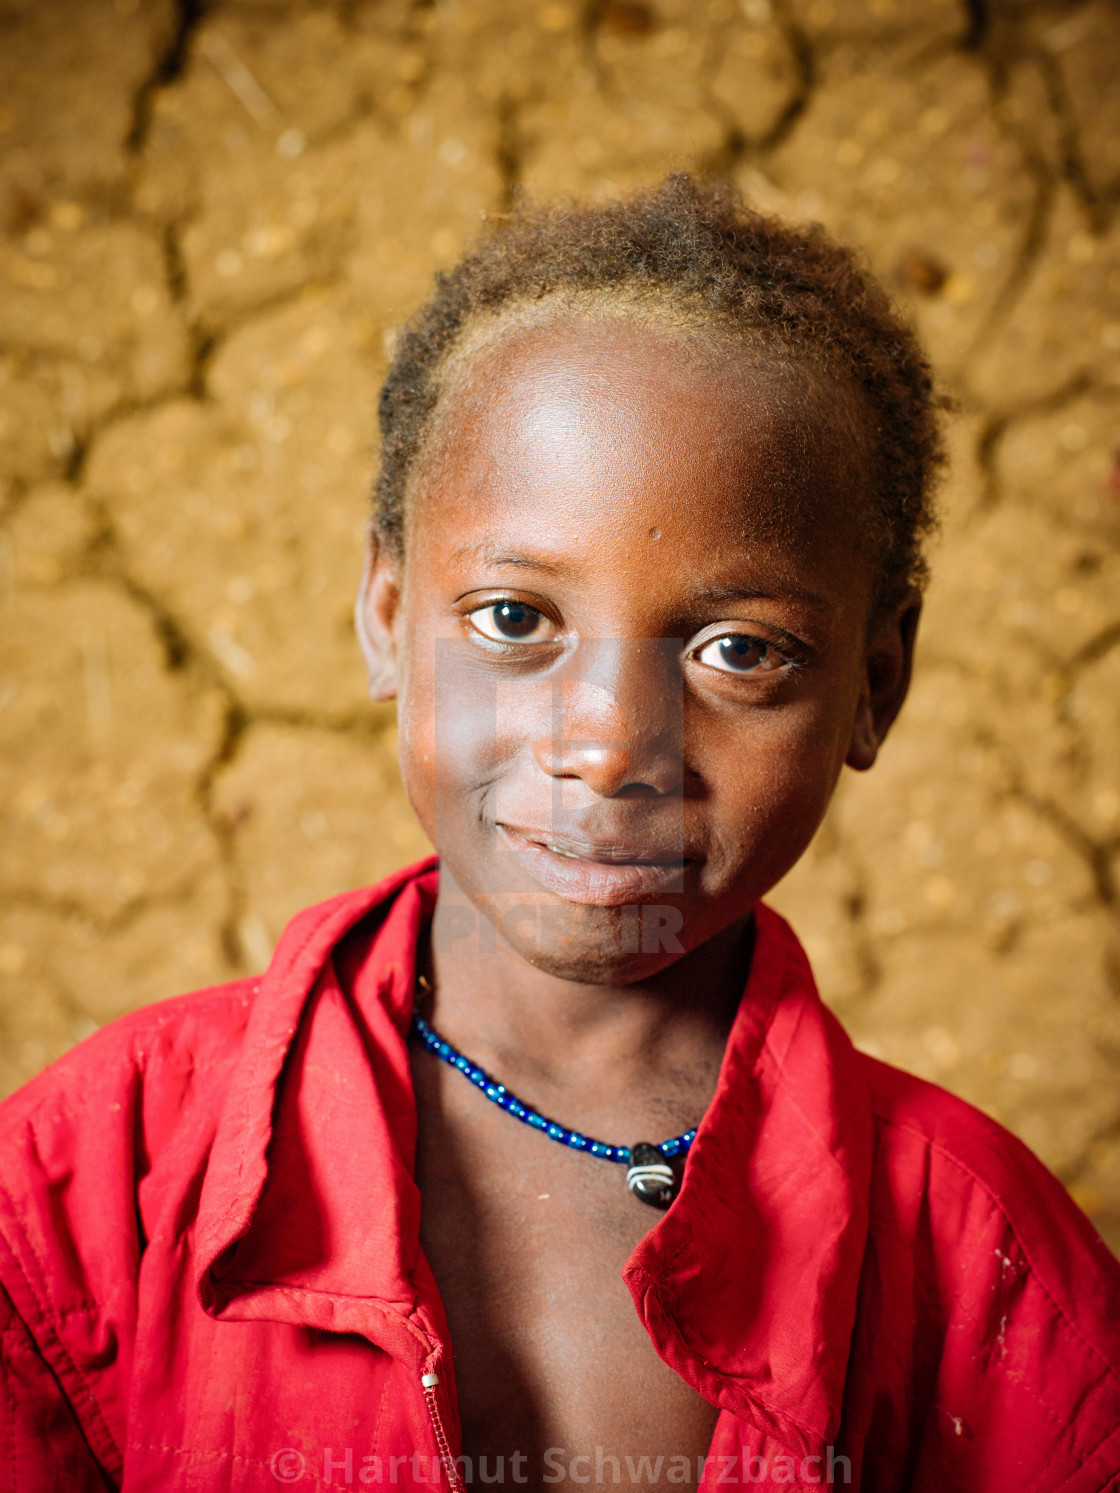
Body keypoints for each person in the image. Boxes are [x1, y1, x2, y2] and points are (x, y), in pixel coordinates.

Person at [1, 175, 1117, 1493]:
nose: (606, 744)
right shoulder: (87, 1190)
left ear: (876, 681)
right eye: (514, 620)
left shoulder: (988, 1273)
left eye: (740, 649)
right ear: (384, 609)